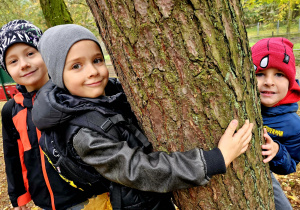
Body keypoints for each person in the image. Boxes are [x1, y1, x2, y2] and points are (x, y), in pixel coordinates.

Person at [32, 24, 253, 209]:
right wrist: (214, 160)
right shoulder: (84, 134)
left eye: (97, 60)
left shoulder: (111, 93)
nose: (92, 71)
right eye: (76, 66)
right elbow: (140, 170)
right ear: (58, 75)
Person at [0, 20, 101, 210]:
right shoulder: (11, 110)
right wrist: (19, 197)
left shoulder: (68, 94)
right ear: (6, 69)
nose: (24, 64)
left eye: (31, 53)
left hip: (86, 198)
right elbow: (13, 156)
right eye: (13, 61)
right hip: (45, 202)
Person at [251, 37, 300, 210]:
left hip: (263, 173)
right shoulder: (241, 103)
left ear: (291, 81)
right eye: (260, 74)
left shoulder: (293, 125)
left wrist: (278, 152)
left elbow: (291, 164)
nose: (269, 82)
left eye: (279, 74)